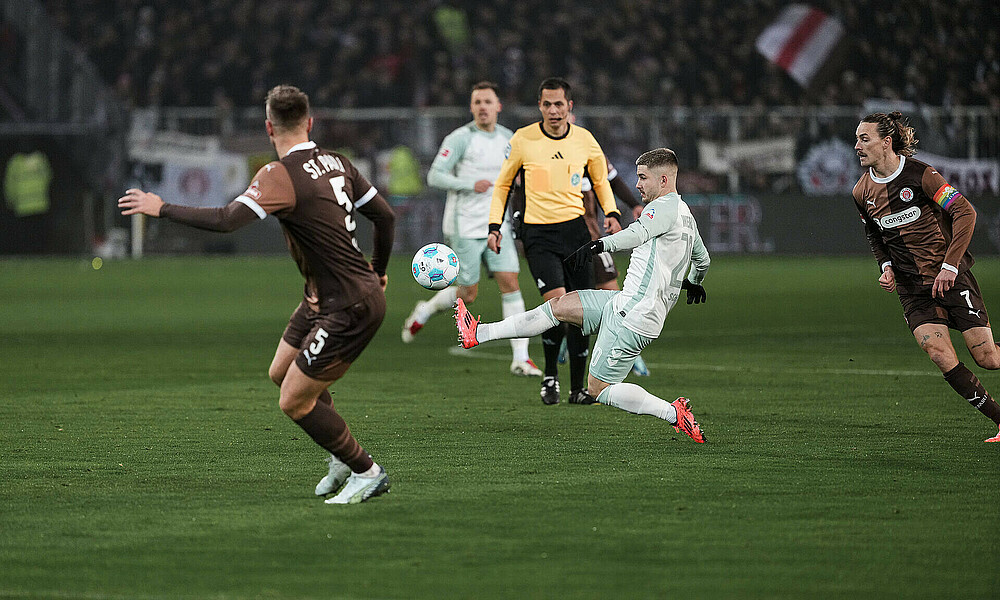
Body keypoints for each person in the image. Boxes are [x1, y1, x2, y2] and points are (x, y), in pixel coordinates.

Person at [118, 85, 397, 502]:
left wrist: (163, 208)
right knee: (281, 372)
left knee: (293, 401)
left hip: (348, 305)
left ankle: (367, 471)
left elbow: (227, 219)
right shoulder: (338, 162)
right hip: (325, 296)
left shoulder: (279, 174)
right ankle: (339, 454)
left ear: (269, 127)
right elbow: (385, 216)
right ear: (310, 122)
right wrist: (379, 269)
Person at [458, 148, 709, 442]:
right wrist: (694, 282)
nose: (637, 184)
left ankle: (673, 413)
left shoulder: (661, 208)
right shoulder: (685, 214)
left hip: (633, 314)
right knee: (559, 306)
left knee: (598, 389)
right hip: (625, 303)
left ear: (663, 180)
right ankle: (478, 333)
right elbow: (702, 260)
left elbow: (636, 235)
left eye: (643, 178)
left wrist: (599, 245)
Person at [853, 111, 1000, 443]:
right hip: (912, 289)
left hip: (951, 278)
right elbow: (875, 236)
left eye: (864, 139)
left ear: (886, 142)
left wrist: (950, 265)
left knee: (988, 358)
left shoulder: (922, 175)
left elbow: (965, 212)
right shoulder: (861, 192)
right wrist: (885, 267)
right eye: (857, 139)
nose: (857, 146)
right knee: (938, 353)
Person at [487, 77, 623, 406]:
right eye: (546, 104)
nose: (553, 110)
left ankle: (578, 389)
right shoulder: (523, 139)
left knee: (581, 311)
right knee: (557, 305)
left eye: (559, 104)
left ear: (569, 106)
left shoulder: (585, 140)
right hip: (539, 235)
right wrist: (494, 226)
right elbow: (503, 185)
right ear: (539, 106)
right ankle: (550, 375)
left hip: (576, 233)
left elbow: (600, 181)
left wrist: (612, 212)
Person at [403, 81, 541, 377]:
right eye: (477, 102)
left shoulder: (508, 138)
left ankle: (521, 358)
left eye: (487, 101)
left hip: (497, 224)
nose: (482, 107)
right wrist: (469, 184)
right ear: (471, 107)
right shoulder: (460, 138)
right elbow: (434, 176)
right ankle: (426, 309)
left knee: (511, 283)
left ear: (498, 106)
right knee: (468, 293)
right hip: (464, 225)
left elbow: (519, 173)